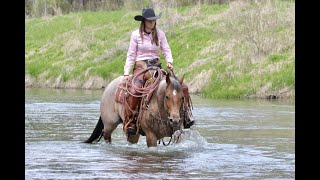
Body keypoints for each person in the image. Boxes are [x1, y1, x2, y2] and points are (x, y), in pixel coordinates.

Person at [123, 8, 194, 135]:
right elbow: (131, 55)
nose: (152, 23)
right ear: (144, 21)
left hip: (157, 66)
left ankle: (186, 116)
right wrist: (126, 73)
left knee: (182, 87)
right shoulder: (135, 35)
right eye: (149, 21)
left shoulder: (160, 34)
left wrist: (169, 61)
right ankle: (132, 120)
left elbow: (166, 49)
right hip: (141, 66)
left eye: (154, 21)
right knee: (135, 89)